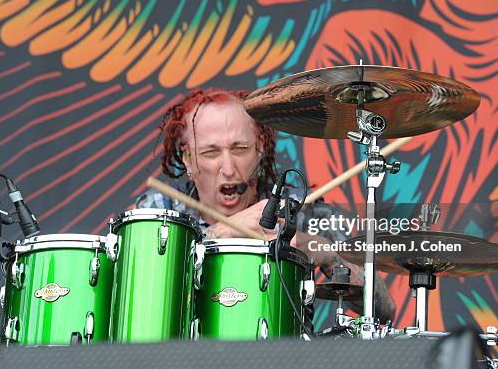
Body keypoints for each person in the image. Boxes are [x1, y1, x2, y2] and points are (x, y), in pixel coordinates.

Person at [136, 88, 396, 322]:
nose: (228, 169)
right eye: (210, 152)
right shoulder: (160, 210)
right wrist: (221, 234)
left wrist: (326, 254)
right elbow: (134, 290)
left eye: (240, 148)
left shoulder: (301, 211)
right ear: (189, 159)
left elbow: (384, 310)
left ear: (260, 149)